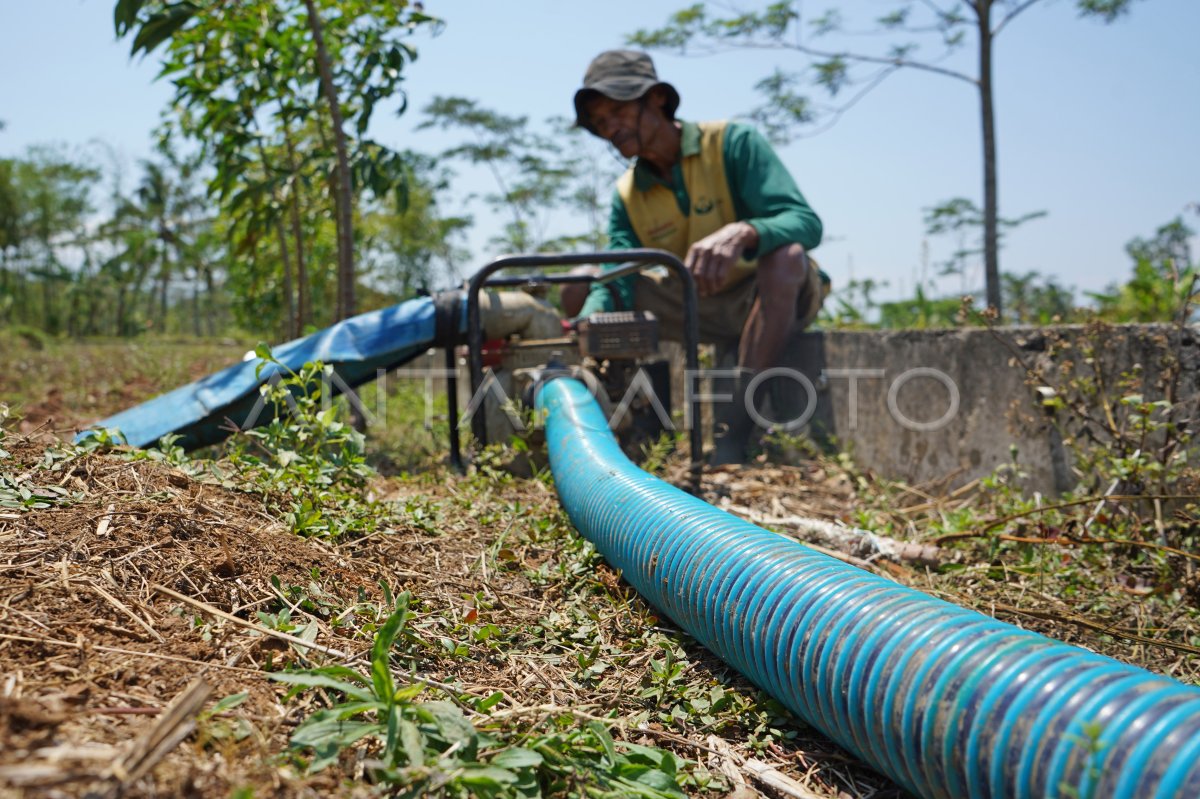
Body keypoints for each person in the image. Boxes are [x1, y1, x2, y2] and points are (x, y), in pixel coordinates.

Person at [572, 49, 827, 463]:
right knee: (584, 283)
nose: (611, 129)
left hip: (761, 298)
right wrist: (582, 325)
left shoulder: (732, 144)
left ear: (656, 99)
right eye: (600, 124)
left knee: (787, 257)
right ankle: (642, 428)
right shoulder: (626, 194)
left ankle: (734, 430)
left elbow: (806, 223)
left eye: (617, 111)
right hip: (694, 304)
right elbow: (617, 273)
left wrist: (745, 231)